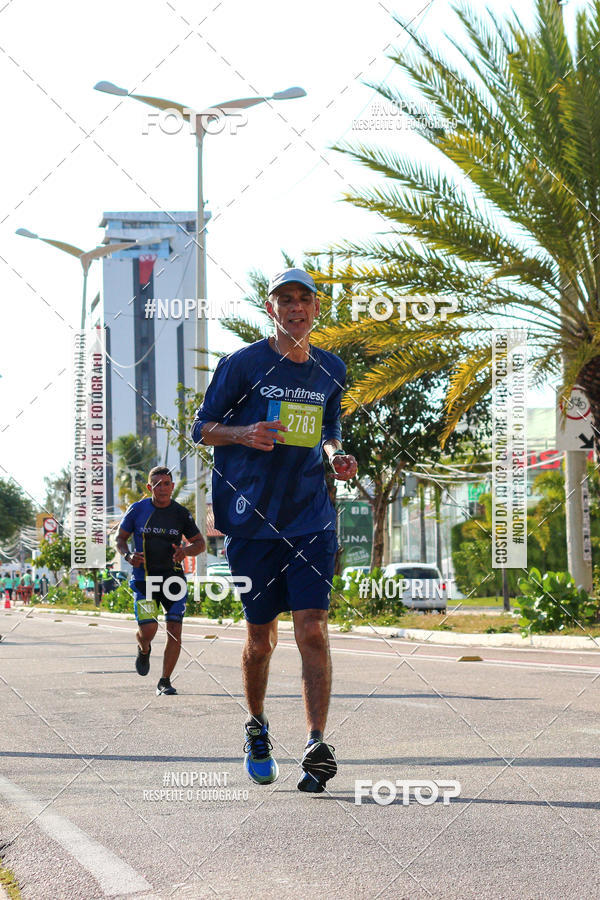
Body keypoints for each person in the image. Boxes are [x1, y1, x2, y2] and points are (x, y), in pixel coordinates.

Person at [192, 267, 357, 793]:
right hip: (251, 522)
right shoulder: (242, 364)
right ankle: (257, 726)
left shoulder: (331, 368)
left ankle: (315, 742)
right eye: (284, 300)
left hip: (311, 517)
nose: (295, 308)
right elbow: (202, 428)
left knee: (312, 628)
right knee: (260, 640)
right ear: (272, 309)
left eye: (304, 300)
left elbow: (329, 428)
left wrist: (336, 455)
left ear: (314, 309)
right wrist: (245, 432)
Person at [116, 466, 206, 696]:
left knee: (175, 629)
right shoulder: (137, 510)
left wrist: (186, 551)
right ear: (150, 487)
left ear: (172, 486)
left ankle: (165, 680)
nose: (163, 488)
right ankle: (143, 647)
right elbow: (120, 539)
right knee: (149, 629)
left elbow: (199, 543)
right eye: (157, 484)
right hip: (144, 580)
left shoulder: (180, 513)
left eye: (167, 483)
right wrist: (128, 555)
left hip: (173, 581)